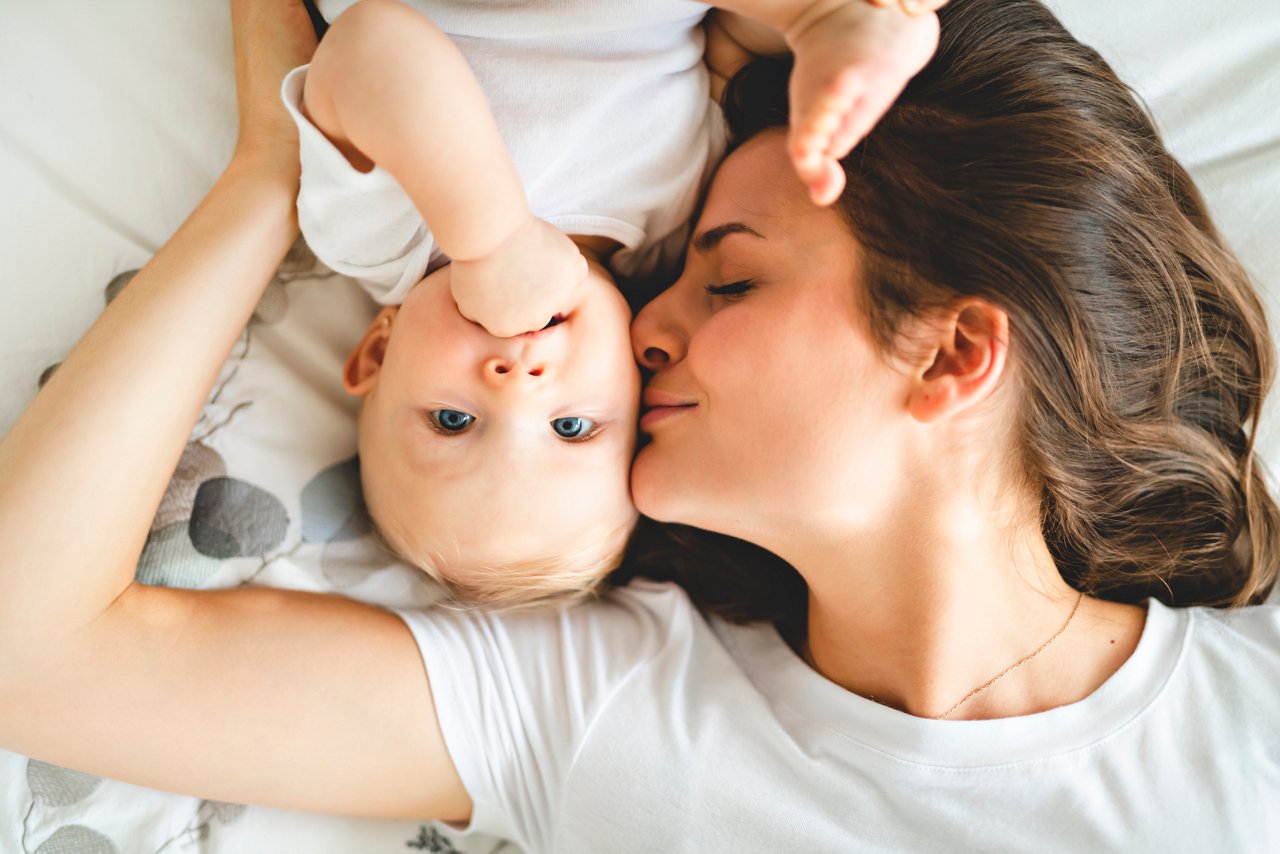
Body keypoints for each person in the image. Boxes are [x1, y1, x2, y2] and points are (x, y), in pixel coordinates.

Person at [0, 0, 1277, 851]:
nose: (638, 326)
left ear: (950, 352)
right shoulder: (604, 698)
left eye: (728, 278)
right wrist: (264, 180)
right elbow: (31, 654)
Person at [284, 0, 944, 607]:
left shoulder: (377, 240)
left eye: (453, 420)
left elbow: (365, 45)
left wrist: (492, 241)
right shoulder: (676, 230)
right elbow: (717, 51)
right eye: (570, 428)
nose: (517, 386)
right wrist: (800, 32)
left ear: (376, 351)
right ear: (637, 386)